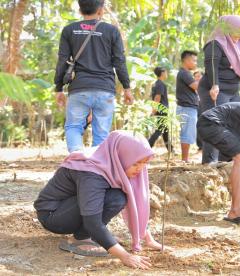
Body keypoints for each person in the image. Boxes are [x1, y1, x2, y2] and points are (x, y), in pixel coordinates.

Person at [34, 131, 169, 269]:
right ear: (121, 156)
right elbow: (92, 222)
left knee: (117, 197)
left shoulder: (110, 158)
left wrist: (147, 238)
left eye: (144, 163)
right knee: (114, 199)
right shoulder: (91, 171)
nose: (140, 169)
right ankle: (80, 239)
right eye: (135, 164)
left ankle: (90, 236)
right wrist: (125, 256)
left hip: (71, 206)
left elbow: (136, 200)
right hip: (53, 216)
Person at [54, 0, 134, 153]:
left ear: (80, 10)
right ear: (101, 10)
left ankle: (77, 163)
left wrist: (58, 88)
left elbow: (62, 61)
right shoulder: (112, 31)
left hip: (79, 89)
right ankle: (96, 170)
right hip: (105, 90)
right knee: (102, 134)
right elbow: (119, 61)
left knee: (73, 127)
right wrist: (127, 87)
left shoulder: (69, 30)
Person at [198, 15, 240, 164]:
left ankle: (225, 161)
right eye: (238, 31)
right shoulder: (215, 43)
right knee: (215, 124)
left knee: (233, 125)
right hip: (215, 89)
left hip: (233, 90)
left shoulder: (239, 45)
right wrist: (214, 85)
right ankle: (209, 162)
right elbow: (211, 65)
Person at [176, 50, 200, 162]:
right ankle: (184, 160)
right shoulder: (184, 73)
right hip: (186, 108)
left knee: (188, 133)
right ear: (186, 60)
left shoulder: (185, 73)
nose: (196, 63)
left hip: (189, 108)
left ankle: (185, 159)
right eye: (194, 60)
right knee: (186, 134)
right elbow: (196, 86)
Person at [148, 67, 172, 152]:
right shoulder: (160, 84)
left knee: (165, 130)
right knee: (159, 130)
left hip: (161, 110)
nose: (167, 74)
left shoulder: (156, 84)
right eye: (166, 72)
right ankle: (147, 146)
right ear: (162, 73)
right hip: (161, 110)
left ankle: (171, 150)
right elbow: (157, 98)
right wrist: (154, 110)